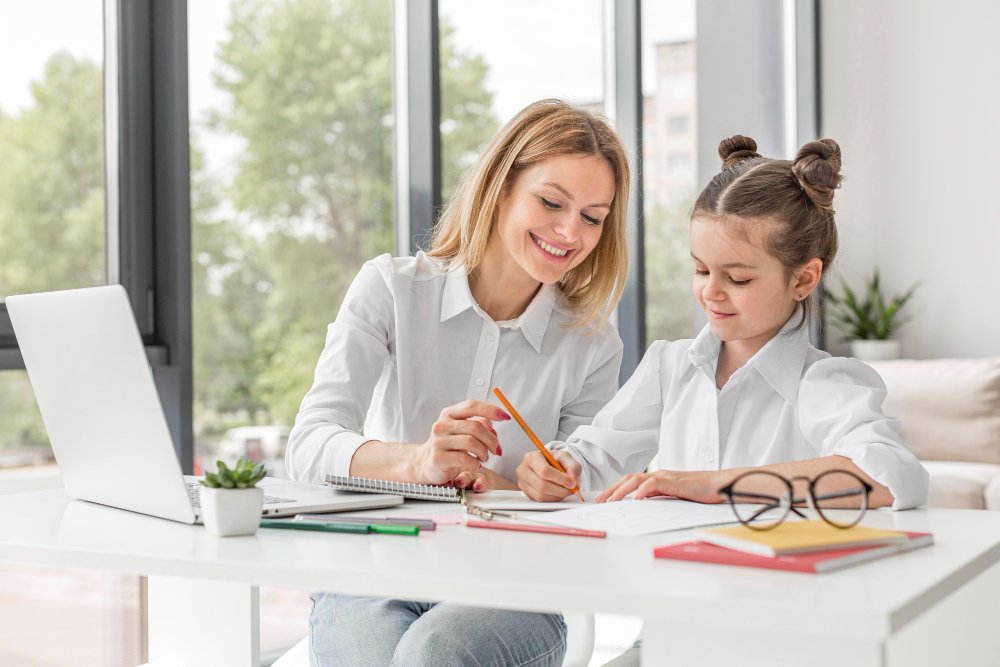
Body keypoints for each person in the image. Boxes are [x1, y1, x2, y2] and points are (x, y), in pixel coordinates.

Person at [517, 134, 929, 663]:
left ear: (803, 278)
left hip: (782, 646)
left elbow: (892, 477)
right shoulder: (669, 366)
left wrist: (712, 486)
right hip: (672, 637)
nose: (711, 291)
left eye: (737, 278)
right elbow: (594, 461)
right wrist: (556, 467)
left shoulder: (827, 383)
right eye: (700, 269)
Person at [285, 99, 631, 666]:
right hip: (376, 572)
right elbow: (309, 444)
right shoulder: (390, 290)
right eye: (551, 202)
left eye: (593, 217)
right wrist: (420, 463)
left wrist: (518, 485)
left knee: (435, 652)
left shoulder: (592, 345)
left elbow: (584, 507)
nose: (570, 232)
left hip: (512, 590)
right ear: (500, 187)